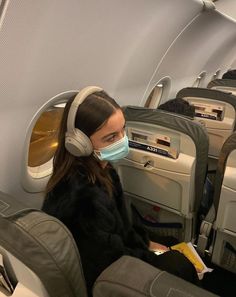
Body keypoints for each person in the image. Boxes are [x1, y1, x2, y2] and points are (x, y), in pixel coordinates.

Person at [42, 86, 199, 296]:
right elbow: (107, 259)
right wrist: (152, 256)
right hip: (104, 276)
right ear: (79, 144)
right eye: (111, 137)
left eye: (123, 130)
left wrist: (147, 243)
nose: (123, 140)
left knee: (173, 248)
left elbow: (122, 228)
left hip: (115, 253)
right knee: (179, 264)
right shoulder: (80, 198)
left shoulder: (101, 168)